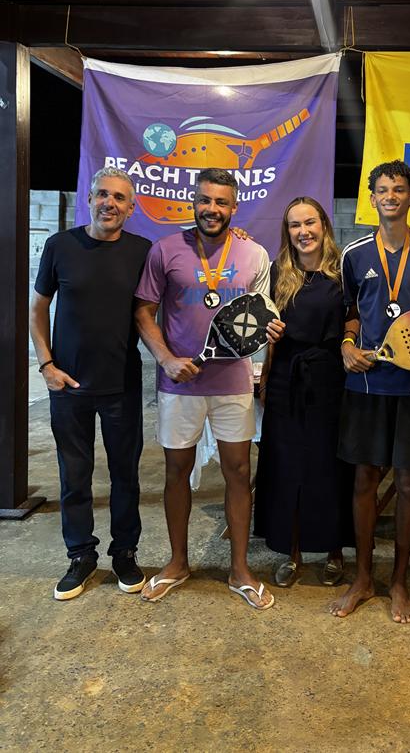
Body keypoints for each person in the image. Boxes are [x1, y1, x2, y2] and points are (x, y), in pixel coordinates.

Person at [134, 167, 284, 608]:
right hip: (179, 385)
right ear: (193, 202)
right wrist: (166, 358)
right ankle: (177, 563)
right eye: (205, 200)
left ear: (234, 206)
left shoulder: (254, 253)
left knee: (238, 472)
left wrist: (271, 330)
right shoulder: (165, 250)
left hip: (234, 383)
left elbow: (262, 313)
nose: (211, 209)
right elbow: (143, 312)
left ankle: (240, 570)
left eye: (221, 202)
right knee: (176, 472)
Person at [329, 160, 410, 624]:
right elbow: (349, 312)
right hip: (365, 382)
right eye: (382, 190)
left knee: (406, 482)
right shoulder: (354, 253)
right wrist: (346, 346)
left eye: (399, 189)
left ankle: (399, 582)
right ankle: (363, 578)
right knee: (364, 479)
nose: (390, 197)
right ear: (372, 197)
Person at [30, 167, 151, 600]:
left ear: (131, 208)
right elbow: (38, 309)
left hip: (122, 385)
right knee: (74, 478)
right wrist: (46, 365)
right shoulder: (60, 246)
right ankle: (80, 555)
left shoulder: (142, 251)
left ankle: (124, 553)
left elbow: (156, 304)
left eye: (119, 198)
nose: (109, 203)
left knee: (126, 476)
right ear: (90, 198)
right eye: (102, 194)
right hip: (68, 386)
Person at [254, 197, 354, 587]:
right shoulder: (278, 271)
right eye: (295, 225)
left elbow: (356, 317)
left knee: (330, 467)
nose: (303, 231)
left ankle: (334, 551)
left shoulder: (344, 269)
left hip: (330, 378)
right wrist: (266, 371)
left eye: (309, 222)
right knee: (287, 467)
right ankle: (292, 552)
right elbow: (266, 329)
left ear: (323, 225)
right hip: (286, 377)